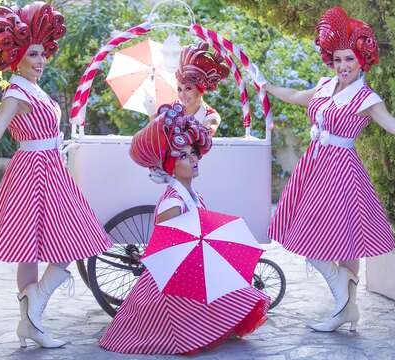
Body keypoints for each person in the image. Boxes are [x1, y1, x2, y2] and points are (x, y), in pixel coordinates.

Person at [258, 6, 395, 332]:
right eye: (337, 59)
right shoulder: (323, 87)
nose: (343, 65)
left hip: (340, 173)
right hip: (313, 168)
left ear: (362, 58)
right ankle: (345, 305)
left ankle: (344, 301)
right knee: (313, 237)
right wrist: (265, 85)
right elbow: (295, 95)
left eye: (349, 59)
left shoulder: (365, 98)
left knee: (334, 240)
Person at [0, 2, 111, 348]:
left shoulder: (33, 87)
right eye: (33, 53)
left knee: (72, 238)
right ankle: (32, 316)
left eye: (43, 53)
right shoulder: (16, 91)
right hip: (34, 172)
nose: (40, 60)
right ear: (15, 54)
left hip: (49, 168)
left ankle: (33, 311)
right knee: (34, 247)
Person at [99, 103, 270, 354]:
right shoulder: (173, 201)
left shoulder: (192, 195)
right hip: (172, 280)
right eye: (183, 156)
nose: (193, 159)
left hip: (190, 266)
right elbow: (168, 251)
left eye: (193, 153)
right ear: (169, 167)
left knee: (242, 293)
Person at [145, 42, 228, 135]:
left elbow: (206, 132)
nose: (182, 95)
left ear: (201, 90)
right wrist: (151, 111)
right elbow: (157, 133)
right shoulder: (171, 110)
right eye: (179, 89)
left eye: (188, 89)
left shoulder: (210, 116)